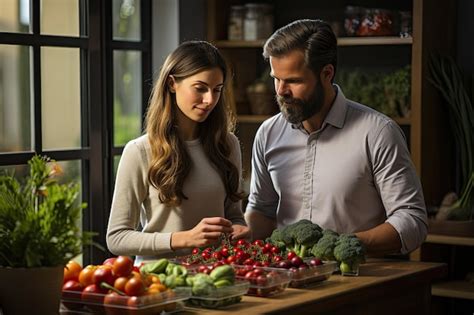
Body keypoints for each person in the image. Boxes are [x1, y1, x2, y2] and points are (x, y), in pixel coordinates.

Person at [245, 19, 427, 255]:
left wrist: (343, 246)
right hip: (288, 276)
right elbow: (262, 210)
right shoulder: (268, 133)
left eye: (294, 81)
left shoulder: (378, 133)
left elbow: (413, 221)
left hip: (359, 278)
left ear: (326, 73)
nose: (281, 91)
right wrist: (243, 231)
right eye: (276, 78)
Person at [107, 41, 250, 264]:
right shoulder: (139, 151)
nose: (210, 100)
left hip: (217, 280)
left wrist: (240, 228)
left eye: (217, 90)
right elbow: (116, 238)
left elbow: (234, 216)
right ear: (172, 83)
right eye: (200, 88)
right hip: (158, 284)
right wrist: (182, 239)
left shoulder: (227, 145)